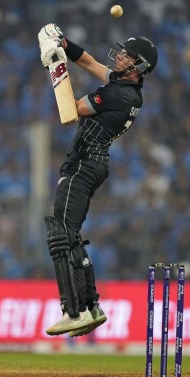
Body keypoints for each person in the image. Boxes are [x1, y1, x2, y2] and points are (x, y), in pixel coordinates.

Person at [38, 24, 158, 336]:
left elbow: (71, 110)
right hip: (92, 164)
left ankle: (73, 310)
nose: (120, 56)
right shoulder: (126, 89)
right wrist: (64, 43)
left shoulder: (118, 94)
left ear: (139, 67)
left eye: (128, 56)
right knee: (71, 234)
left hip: (82, 164)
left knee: (60, 235)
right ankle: (91, 307)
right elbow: (90, 62)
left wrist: (55, 64)